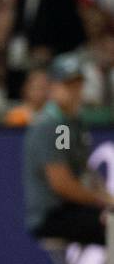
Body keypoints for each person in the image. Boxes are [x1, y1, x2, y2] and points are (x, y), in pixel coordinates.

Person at [23, 52, 114, 247]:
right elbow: (62, 184)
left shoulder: (70, 124)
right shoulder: (52, 126)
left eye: (78, 84)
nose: (75, 91)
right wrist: (101, 201)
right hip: (52, 214)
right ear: (53, 87)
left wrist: (107, 197)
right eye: (68, 85)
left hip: (71, 209)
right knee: (110, 223)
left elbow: (82, 169)